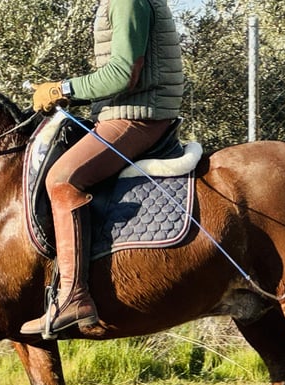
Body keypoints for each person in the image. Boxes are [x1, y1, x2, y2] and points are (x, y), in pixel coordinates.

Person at [20, 0, 184, 336]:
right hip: (123, 113)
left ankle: (73, 297)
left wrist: (63, 89)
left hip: (138, 117)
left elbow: (123, 73)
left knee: (63, 178)